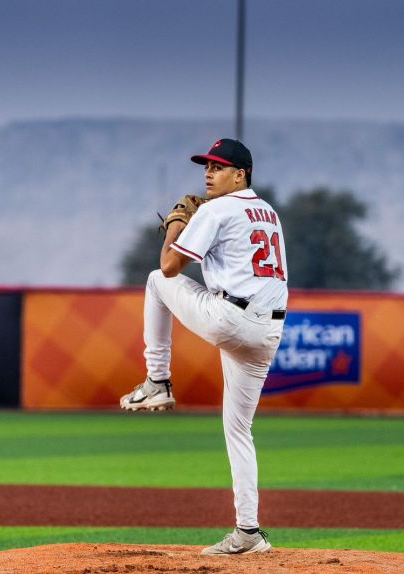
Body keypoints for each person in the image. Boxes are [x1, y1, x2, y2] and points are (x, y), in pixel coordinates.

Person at [120, 138, 289, 555]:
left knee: (156, 281)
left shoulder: (216, 210)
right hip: (268, 331)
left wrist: (176, 224)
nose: (208, 174)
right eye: (206, 167)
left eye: (218, 167)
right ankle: (248, 533)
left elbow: (169, 266)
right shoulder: (268, 213)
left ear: (241, 174)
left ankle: (157, 380)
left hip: (231, 318)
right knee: (239, 429)